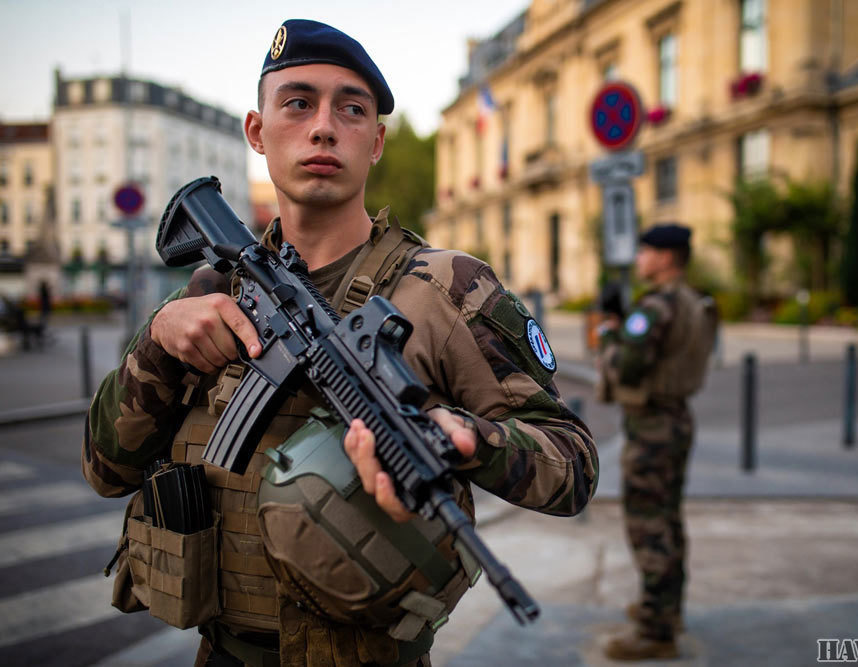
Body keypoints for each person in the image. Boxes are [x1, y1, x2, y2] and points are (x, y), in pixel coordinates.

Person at [82, 19, 597, 667]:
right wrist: (157, 342)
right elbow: (104, 470)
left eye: (350, 109)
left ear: (376, 141)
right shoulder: (211, 287)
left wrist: (468, 438)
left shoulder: (448, 288)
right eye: (298, 103)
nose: (324, 126)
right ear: (256, 130)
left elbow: (573, 466)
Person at [595, 224, 716, 661]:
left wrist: (610, 332)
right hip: (677, 418)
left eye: (646, 251)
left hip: (652, 428)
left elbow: (628, 368)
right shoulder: (693, 300)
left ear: (666, 258)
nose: (640, 258)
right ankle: (668, 607)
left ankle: (655, 630)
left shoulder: (658, 305)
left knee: (649, 525)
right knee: (668, 519)